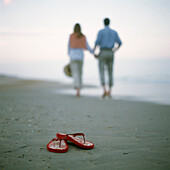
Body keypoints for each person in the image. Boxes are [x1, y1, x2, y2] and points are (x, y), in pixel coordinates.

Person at [94, 18, 122, 98]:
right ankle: (109, 91)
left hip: (102, 52)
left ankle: (104, 90)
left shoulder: (101, 32)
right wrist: (114, 50)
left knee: (102, 71)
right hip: (110, 52)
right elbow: (120, 43)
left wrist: (94, 52)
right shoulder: (114, 32)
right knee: (110, 71)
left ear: (103, 23)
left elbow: (97, 42)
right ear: (109, 23)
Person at [68, 23, 94, 97]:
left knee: (75, 73)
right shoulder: (83, 36)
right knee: (80, 73)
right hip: (80, 57)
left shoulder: (71, 36)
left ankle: (77, 87)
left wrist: (69, 55)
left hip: (73, 56)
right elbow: (88, 46)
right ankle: (79, 88)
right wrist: (93, 53)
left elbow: (69, 47)